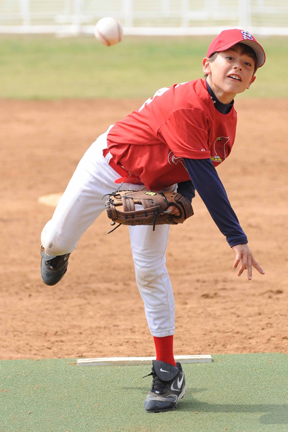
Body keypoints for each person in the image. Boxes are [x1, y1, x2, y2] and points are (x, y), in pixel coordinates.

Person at [40, 28, 266, 413]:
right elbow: (207, 177)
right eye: (229, 58)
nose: (238, 67)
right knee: (58, 238)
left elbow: (198, 172)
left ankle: (167, 370)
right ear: (207, 64)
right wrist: (236, 237)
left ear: (252, 80)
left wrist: (180, 197)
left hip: (156, 185)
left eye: (247, 64)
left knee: (149, 269)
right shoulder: (185, 105)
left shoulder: (227, 120)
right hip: (109, 163)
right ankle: (55, 251)